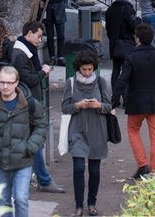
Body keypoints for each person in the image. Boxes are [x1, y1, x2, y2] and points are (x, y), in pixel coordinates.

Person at [0, 66, 49, 217]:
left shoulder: (29, 104)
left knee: (20, 199)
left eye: (9, 83)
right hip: (0, 162)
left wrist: (29, 147)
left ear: (16, 83)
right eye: (2, 82)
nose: (5, 86)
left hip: (23, 161)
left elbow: (42, 126)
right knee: (4, 201)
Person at [11, 21, 65, 194]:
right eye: (38, 36)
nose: (40, 39)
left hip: (30, 102)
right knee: (36, 143)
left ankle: (38, 179)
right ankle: (43, 180)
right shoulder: (21, 54)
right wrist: (43, 72)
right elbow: (29, 78)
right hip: (28, 103)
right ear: (29, 34)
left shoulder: (25, 50)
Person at [113, 23, 155, 179]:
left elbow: (122, 80)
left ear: (137, 39)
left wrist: (114, 100)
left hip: (136, 102)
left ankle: (142, 164)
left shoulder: (131, 56)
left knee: (133, 131)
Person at [61, 49, 112, 217]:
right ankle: (78, 206)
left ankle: (91, 203)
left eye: (90, 69)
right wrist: (77, 106)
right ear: (78, 68)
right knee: (78, 168)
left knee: (95, 170)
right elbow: (65, 107)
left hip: (97, 131)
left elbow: (109, 106)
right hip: (77, 130)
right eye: (84, 69)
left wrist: (99, 106)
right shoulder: (71, 82)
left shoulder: (101, 82)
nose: (87, 72)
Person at [105, 0, 138, 106]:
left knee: (115, 71)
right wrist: (138, 21)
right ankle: (126, 99)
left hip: (114, 44)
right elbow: (133, 25)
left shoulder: (111, 8)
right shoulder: (127, 8)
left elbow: (108, 27)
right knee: (126, 71)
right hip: (127, 44)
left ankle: (115, 98)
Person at [41, 0, 68, 66]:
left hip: (59, 12)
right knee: (50, 35)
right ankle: (52, 57)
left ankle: (60, 56)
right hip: (48, 12)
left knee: (61, 35)